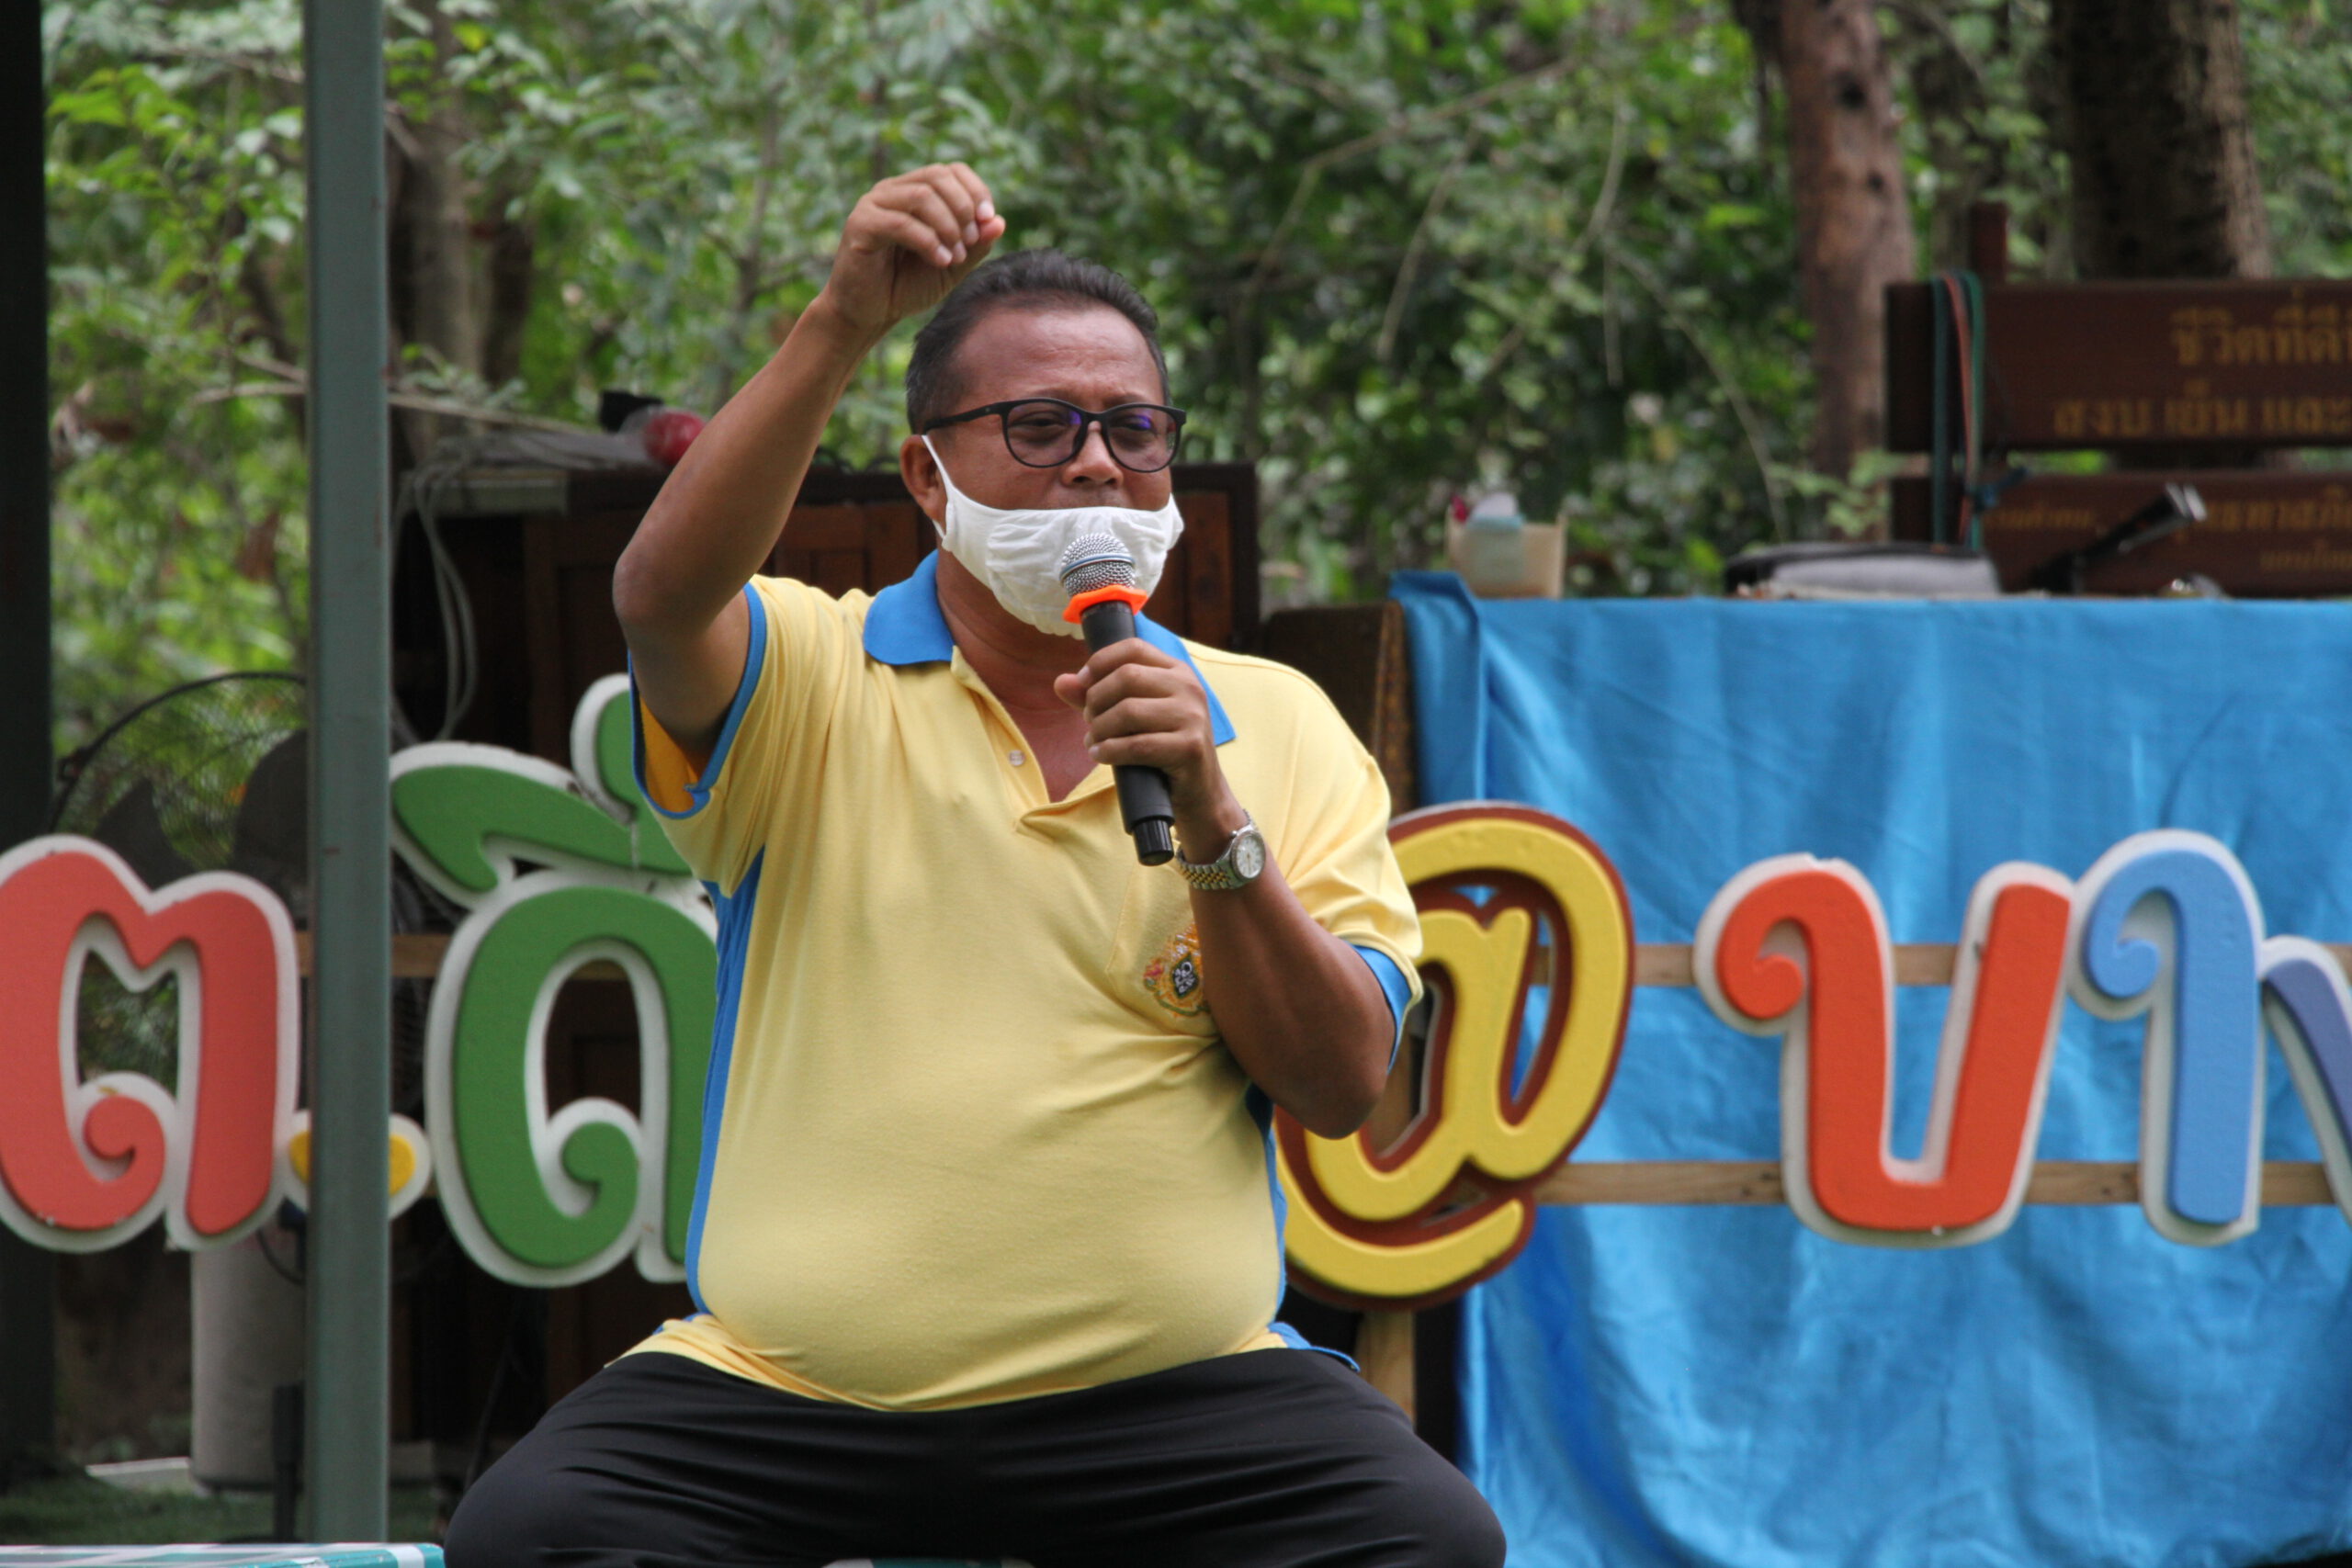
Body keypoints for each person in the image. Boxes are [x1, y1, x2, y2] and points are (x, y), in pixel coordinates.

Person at [445, 163, 1506, 1568]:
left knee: (1429, 1541)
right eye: (1039, 424)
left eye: (1134, 428)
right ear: (925, 477)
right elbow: (658, 598)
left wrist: (1213, 820)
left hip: (1175, 1401)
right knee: (531, 1537)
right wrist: (841, 319)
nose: (1095, 461)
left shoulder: (1277, 722)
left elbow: (1339, 1080)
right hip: (788, 1395)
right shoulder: (809, 670)